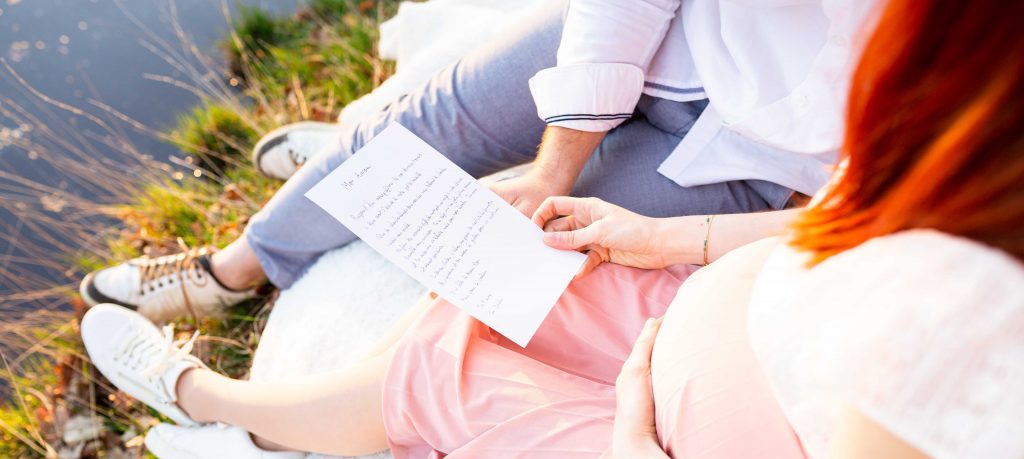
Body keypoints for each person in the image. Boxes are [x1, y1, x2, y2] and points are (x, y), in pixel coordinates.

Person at [82, 0, 1024, 459]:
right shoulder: (968, 191)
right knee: (504, 286)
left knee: (451, 364)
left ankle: (219, 408)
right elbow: (864, 222)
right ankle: (278, 325)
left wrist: (640, 457)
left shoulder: (955, 330)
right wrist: (675, 244)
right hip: (745, 339)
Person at [78, 0, 872, 323]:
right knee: (427, 122)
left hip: (775, 167)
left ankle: (389, 185)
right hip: (676, 36)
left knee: (522, 255)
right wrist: (553, 162)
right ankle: (232, 272)